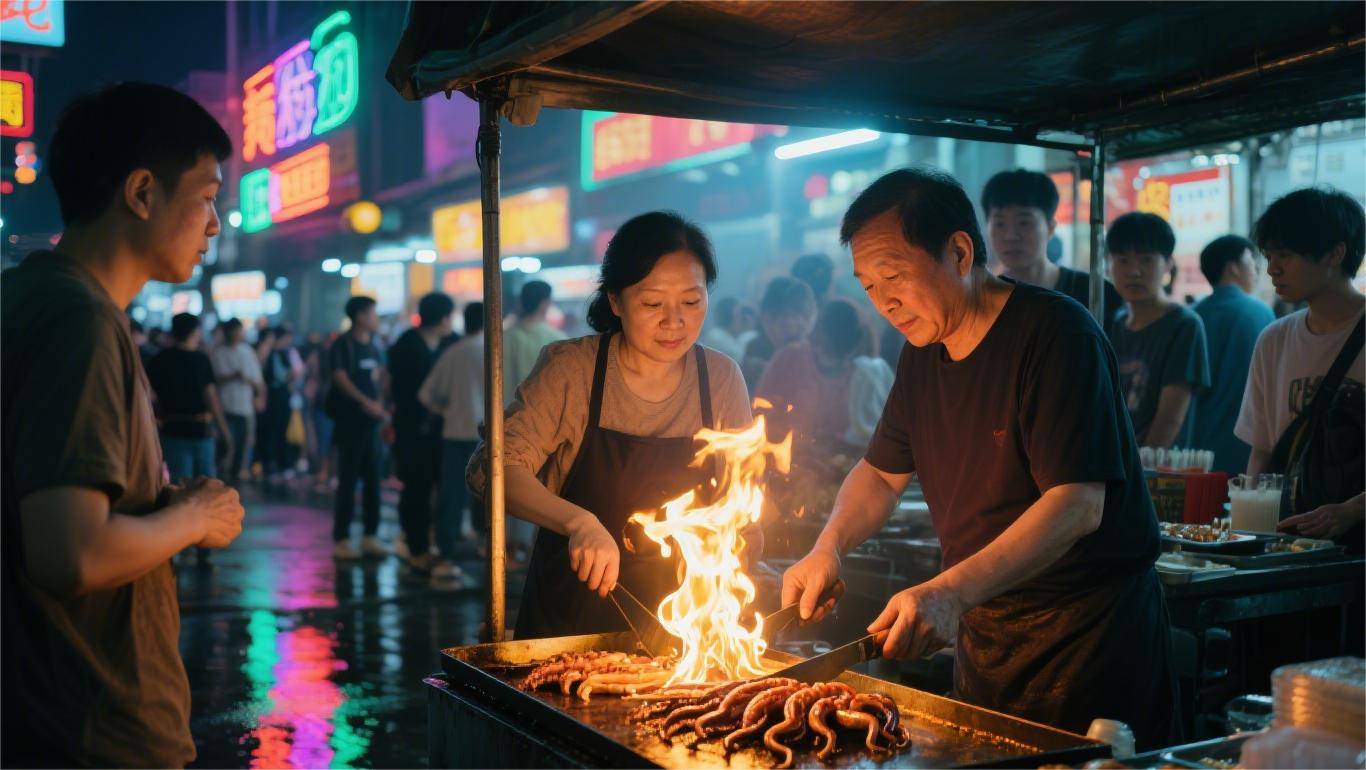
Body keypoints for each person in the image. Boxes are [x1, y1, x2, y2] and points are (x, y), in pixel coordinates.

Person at [782, 168, 1177, 748]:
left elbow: (1077, 505)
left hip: (1089, 642)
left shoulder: (1057, 333)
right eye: (869, 286)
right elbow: (880, 474)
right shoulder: (923, 350)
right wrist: (828, 547)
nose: (884, 301)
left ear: (960, 251)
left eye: (893, 276)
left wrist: (949, 592)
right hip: (988, 636)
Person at [1, 83, 245, 768]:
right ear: (142, 194)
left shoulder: (26, 296)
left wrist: (160, 506)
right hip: (94, 729)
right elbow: (70, 554)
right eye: (205, 196)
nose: (215, 223)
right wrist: (197, 517)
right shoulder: (80, 322)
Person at [467, 211, 752, 639]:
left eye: (691, 302)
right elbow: (492, 469)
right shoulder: (573, 370)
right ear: (616, 302)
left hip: (683, 633)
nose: (674, 321)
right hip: (570, 626)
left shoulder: (721, 378)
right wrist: (578, 522)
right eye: (653, 303)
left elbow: (741, 501)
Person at [1237, 187, 1364, 545]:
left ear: (1336, 253)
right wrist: (1250, 525)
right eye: (1268, 256)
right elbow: (1262, 448)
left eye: (1286, 255)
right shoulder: (1273, 340)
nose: (1273, 269)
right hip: (1291, 541)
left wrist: (1351, 510)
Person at [1106, 212, 1210, 447]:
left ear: (1168, 265)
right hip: (1115, 464)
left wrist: (1139, 471)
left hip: (1159, 472)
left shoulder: (1184, 325)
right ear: (1108, 264)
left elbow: (1170, 420)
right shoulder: (1114, 324)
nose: (1134, 271)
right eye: (1123, 260)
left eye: (1147, 260)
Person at [981, 169, 1124, 333]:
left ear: (1050, 227)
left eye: (1024, 223)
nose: (1011, 236)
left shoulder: (1095, 292)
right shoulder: (982, 299)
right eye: (999, 224)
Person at [1190, 235, 1276, 473]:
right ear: (1233, 268)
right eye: (1253, 263)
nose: (1258, 271)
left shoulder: (1191, 316)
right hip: (1246, 451)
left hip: (1195, 452)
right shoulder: (1260, 313)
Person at [387, 292, 459, 574]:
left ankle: (432, 543)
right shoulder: (407, 344)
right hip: (411, 428)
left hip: (442, 429)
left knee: (442, 487)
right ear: (442, 317)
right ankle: (416, 545)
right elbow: (399, 389)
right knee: (416, 486)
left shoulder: (451, 344)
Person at [420, 301, 487, 585]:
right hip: (488, 436)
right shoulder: (494, 350)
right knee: (491, 496)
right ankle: (489, 548)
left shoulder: (454, 352)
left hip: (455, 435)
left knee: (451, 498)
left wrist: (446, 411)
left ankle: (446, 557)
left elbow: (426, 395)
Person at [328, 296, 391, 560]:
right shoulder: (343, 345)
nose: (376, 318)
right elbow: (339, 378)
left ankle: (369, 536)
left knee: (374, 480)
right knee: (348, 480)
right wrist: (365, 403)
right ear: (361, 316)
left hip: (372, 425)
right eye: (373, 313)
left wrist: (379, 404)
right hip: (350, 423)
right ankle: (342, 538)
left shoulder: (374, 347)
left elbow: (378, 377)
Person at [146, 312, 232, 482]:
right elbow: (211, 399)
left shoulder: (159, 359)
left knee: (180, 486)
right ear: (195, 332)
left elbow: (148, 395)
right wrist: (224, 432)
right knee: (206, 486)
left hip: (171, 430)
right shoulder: (200, 359)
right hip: (200, 430)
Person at [740, 276, 817, 391]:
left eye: (803, 314)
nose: (793, 323)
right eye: (781, 315)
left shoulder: (819, 356)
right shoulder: (754, 353)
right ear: (764, 318)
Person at [211, 318, 264, 482]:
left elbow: (258, 380)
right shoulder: (218, 353)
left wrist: (259, 395)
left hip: (245, 406)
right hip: (225, 407)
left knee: (245, 444)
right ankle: (224, 477)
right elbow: (214, 380)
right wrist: (234, 376)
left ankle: (239, 475)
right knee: (227, 444)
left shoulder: (247, 351)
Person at [503, 279, 566, 406]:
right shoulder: (558, 338)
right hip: (546, 415)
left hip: (510, 416)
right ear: (546, 303)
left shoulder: (505, 337)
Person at [702, 296, 754, 362]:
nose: (744, 318)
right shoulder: (717, 336)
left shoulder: (734, 338)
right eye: (740, 314)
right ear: (729, 316)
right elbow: (740, 359)